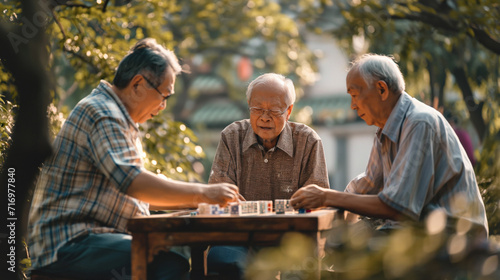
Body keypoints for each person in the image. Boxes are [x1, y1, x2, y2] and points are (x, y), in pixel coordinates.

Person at [28, 38, 240, 280]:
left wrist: (196, 203)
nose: (162, 106)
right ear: (138, 84)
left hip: (93, 238)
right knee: (169, 264)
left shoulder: (119, 118)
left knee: (171, 258)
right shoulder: (103, 113)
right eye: (164, 96)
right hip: (69, 242)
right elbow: (134, 183)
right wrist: (203, 193)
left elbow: (137, 196)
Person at [291, 54, 488, 241]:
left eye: (355, 95)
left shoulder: (420, 122)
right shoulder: (386, 130)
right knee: (336, 242)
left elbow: (397, 206)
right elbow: (367, 186)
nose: (352, 105)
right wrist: (325, 202)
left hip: (455, 239)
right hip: (419, 233)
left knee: (343, 250)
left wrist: (328, 196)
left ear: (382, 89)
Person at [207, 73, 330, 279]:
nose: (264, 117)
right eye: (257, 110)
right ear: (248, 106)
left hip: (290, 238)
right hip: (238, 236)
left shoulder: (308, 142)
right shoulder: (231, 136)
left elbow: (317, 202)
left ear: (289, 111)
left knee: (299, 266)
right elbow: (218, 197)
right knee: (222, 260)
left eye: (274, 110)